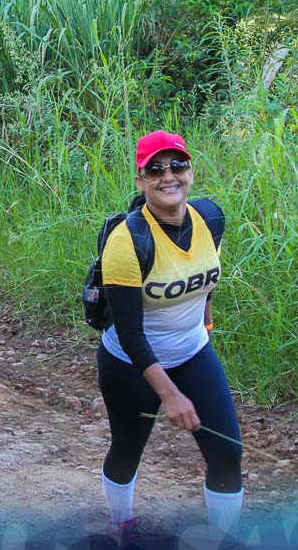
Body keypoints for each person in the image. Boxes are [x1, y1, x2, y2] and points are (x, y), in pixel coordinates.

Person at [97, 131, 242, 547]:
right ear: (140, 180)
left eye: (177, 166)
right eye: (155, 169)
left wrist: (206, 327)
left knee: (227, 453)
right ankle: (121, 525)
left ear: (191, 171)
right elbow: (130, 334)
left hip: (193, 351)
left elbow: (204, 280)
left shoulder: (210, 218)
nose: (168, 177)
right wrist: (170, 396)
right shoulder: (127, 242)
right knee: (128, 448)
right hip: (130, 363)